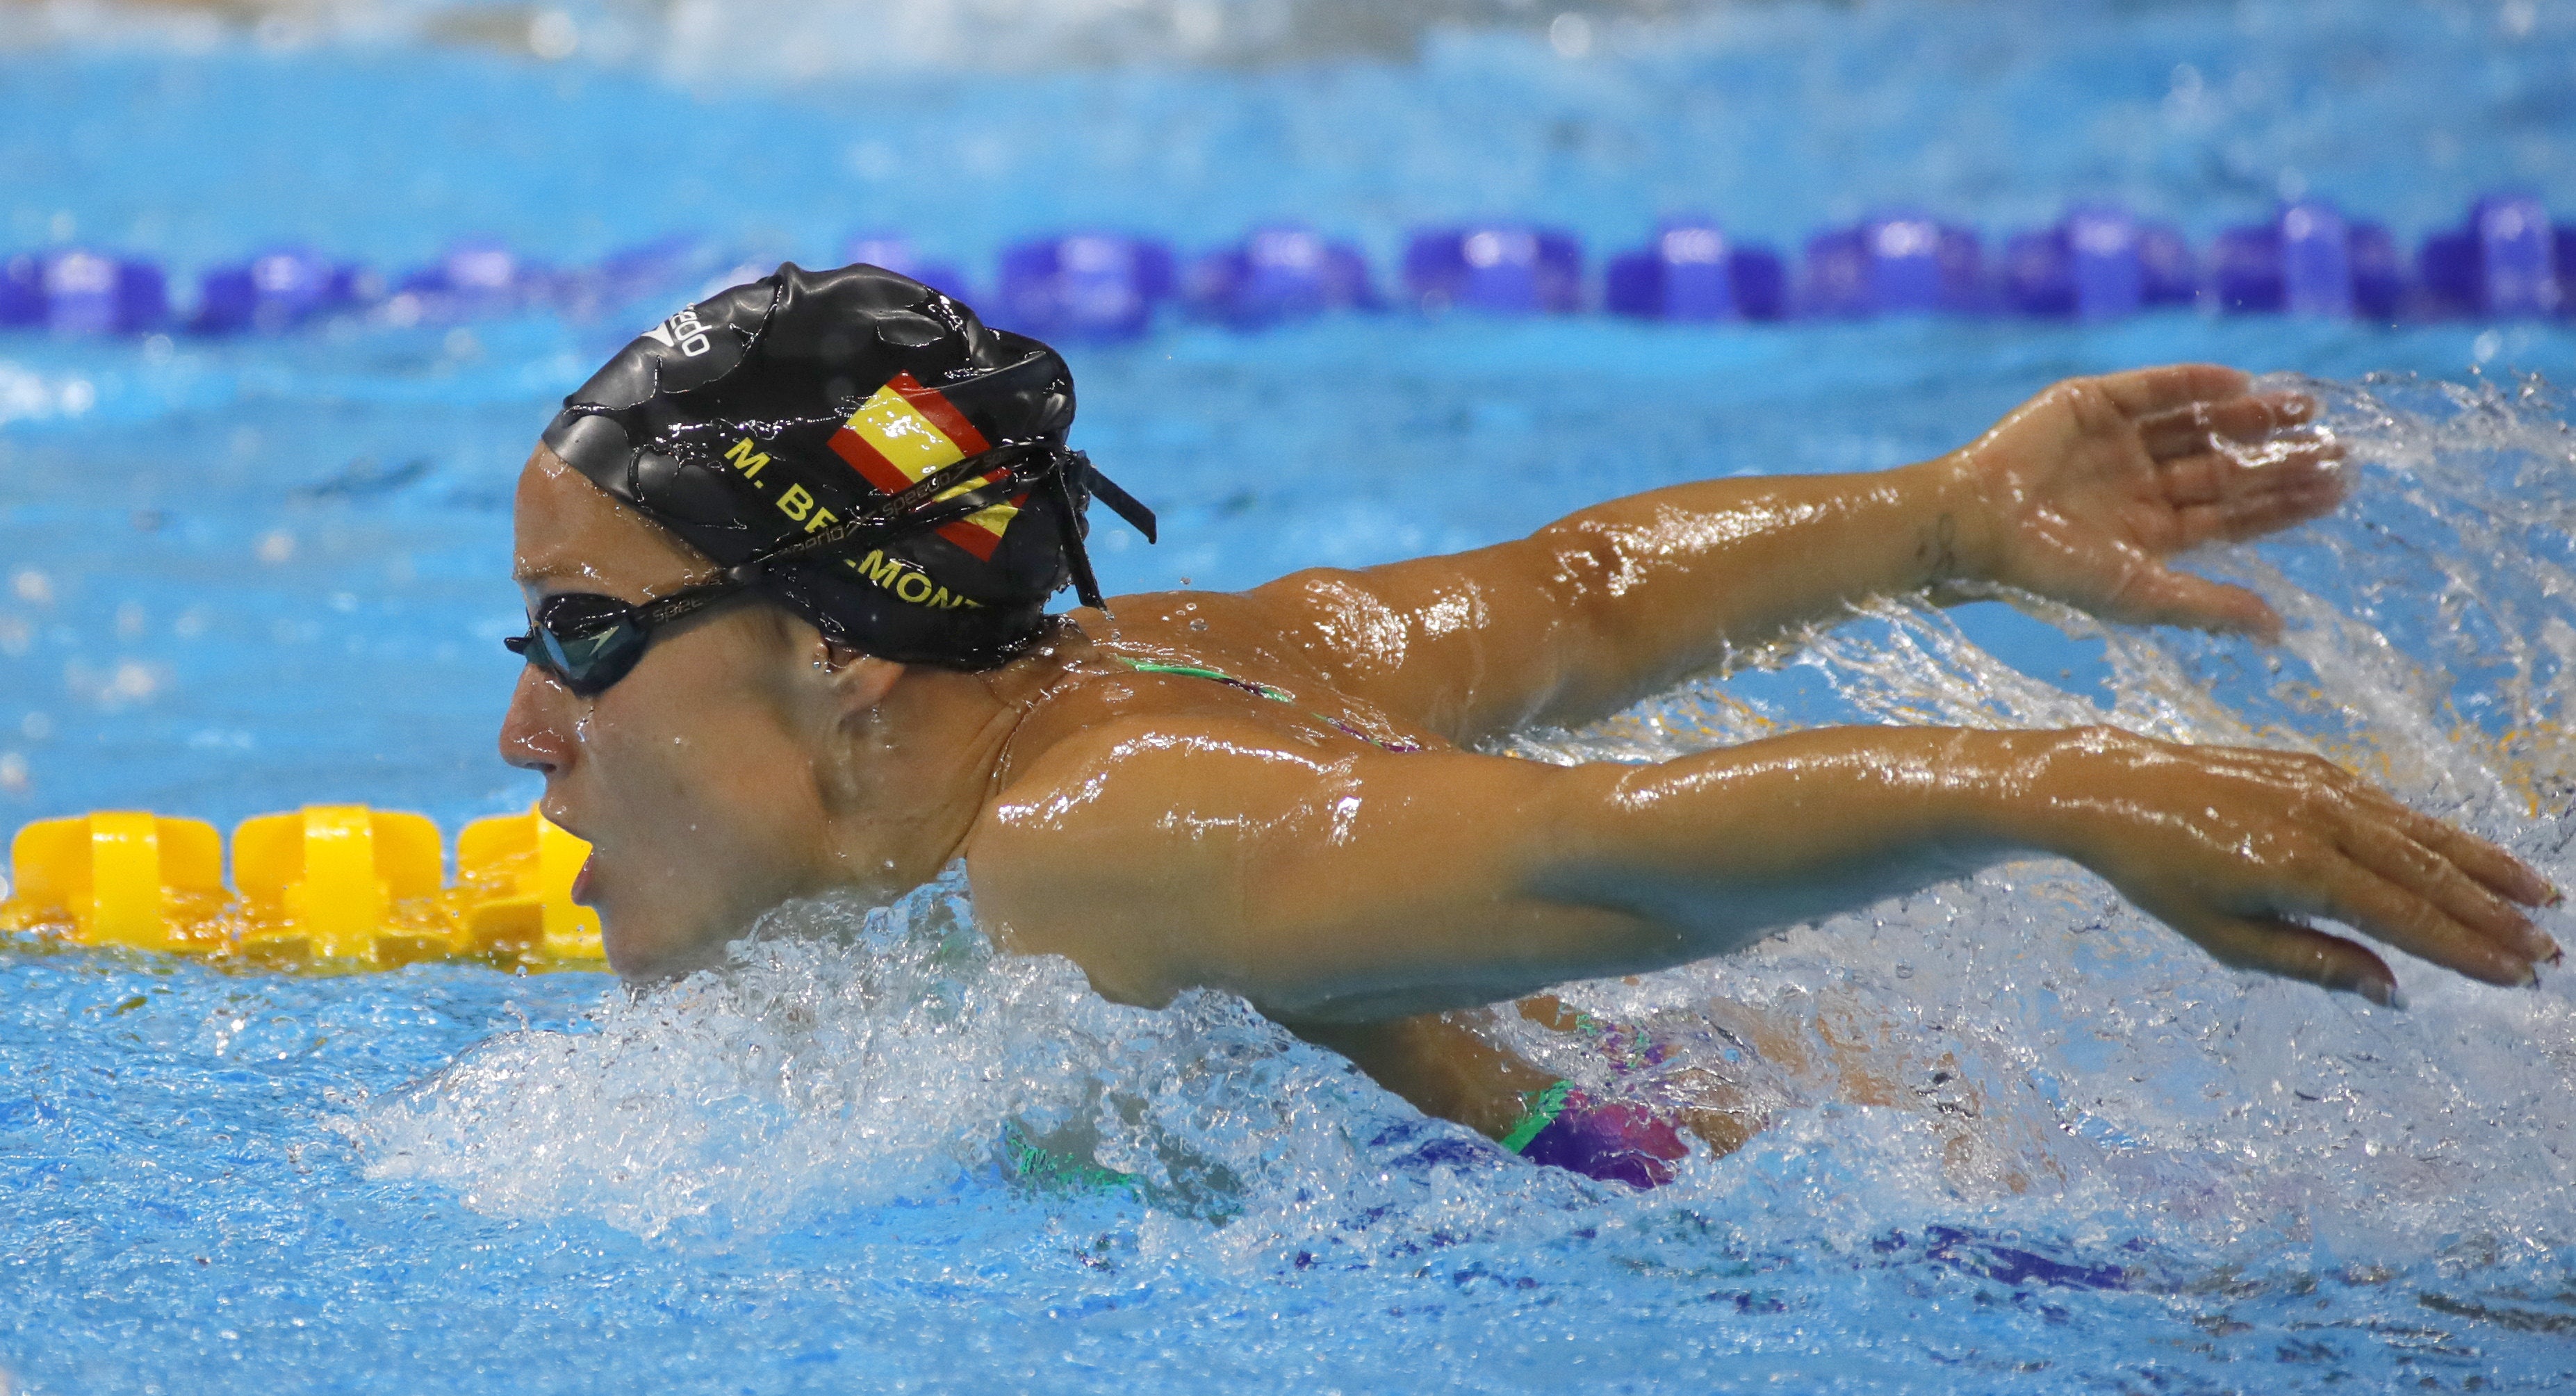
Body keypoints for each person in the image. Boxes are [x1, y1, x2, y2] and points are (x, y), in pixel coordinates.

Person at [502, 263, 2558, 1186]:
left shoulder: (1100, 836)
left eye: (584, 632)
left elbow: (1597, 851)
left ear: (834, 650)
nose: (527, 725)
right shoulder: (1159, 667)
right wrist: (1935, 521)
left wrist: (2061, 783)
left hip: (1986, 1284)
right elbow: (1582, 595)